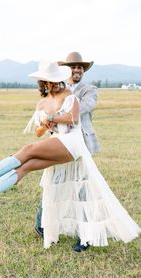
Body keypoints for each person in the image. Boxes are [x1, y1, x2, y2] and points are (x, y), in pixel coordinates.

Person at [0, 61, 140, 250]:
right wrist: (45, 125)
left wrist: (52, 118)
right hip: (56, 141)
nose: (54, 85)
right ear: (43, 83)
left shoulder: (70, 97)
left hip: (72, 142)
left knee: (28, 149)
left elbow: (73, 119)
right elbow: (39, 132)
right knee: (26, 166)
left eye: (57, 81)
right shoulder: (42, 103)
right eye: (50, 82)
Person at [34, 52, 100, 251]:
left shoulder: (89, 90)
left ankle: (85, 237)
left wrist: (53, 116)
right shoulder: (55, 89)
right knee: (53, 184)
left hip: (80, 146)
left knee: (82, 191)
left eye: (80, 67)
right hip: (59, 145)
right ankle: (43, 225)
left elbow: (81, 110)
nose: (77, 70)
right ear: (65, 71)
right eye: (73, 67)